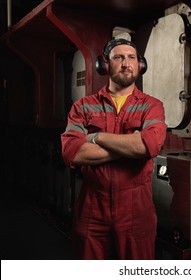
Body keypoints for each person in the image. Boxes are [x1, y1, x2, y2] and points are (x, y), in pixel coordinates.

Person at [61, 35, 167, 260]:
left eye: (131, 58)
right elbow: (72, 151)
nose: (126, 63)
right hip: (92, 207)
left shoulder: (152, 106)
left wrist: (95, 137)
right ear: (105, 65)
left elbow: (149, 146)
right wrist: (129, 144)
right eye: (118, 57)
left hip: (136, 209)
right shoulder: (83, 106)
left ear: (140, 65)